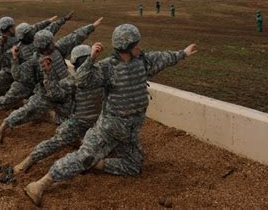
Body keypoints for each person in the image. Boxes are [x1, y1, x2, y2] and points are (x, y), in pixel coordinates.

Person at [24, 24, 198, 206]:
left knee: (133, 166)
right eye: (135, 45)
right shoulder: (107, 68)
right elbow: (82, 81)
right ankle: (40, 184)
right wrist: (91, 58)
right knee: (83, 157)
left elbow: (164, 58)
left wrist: (183, 53)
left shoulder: (143, 61)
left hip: (129, 132)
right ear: (126, 47)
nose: (139, 48)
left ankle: (97, 163)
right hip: (108, 128)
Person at [13, 44, 103, 175]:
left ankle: (26, 163)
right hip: (98, 123)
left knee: (56, 141)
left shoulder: (76, 78)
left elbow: (55, 94)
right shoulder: (102, 74)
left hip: (82, 122)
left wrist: (48, 75)